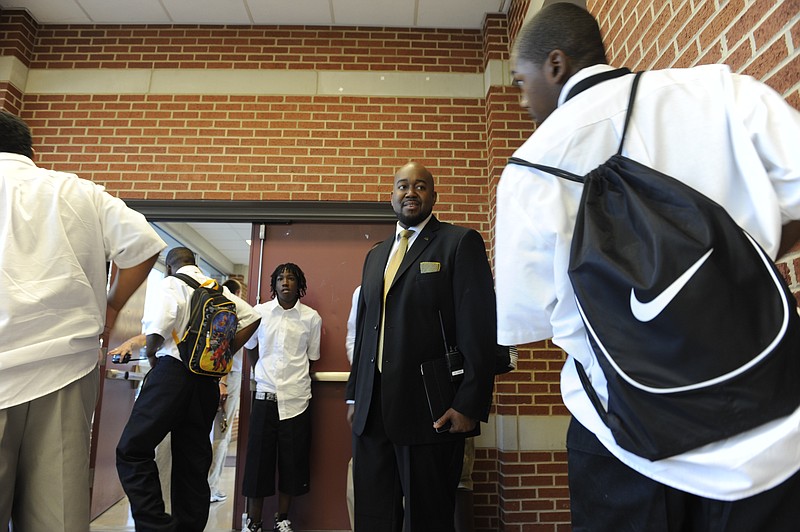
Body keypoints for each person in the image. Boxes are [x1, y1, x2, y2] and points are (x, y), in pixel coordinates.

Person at [495, 3, 800, 531]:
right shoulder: (721, 91)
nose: (524, 102)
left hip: (624, 445)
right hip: (771, 434)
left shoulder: (528, 168)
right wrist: (729, 260)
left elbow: (529, 318)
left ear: (555, 64)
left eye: (522, 82)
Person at [0, 110, 166, 531]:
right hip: (65, 370)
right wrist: (109, 307)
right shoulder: (77, 190)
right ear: (31, 152)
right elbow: (144, 244)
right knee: (58, 516)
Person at [345, 161, 497, 532]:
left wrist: (468, 403)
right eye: (402, 186)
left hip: (432, 410)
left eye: (420, 186)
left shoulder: (459, 242)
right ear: (391, 195)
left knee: (428, 518)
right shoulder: (376, 255)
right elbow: (366, 328)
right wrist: (355, 396)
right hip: (372, 411)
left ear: (433, 195)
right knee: (373, 516)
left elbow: (479, 328)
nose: (410, 192)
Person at [116, 246, 261, 531]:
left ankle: (155, 525)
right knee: (193, 461)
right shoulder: (218, 289)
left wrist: (153, 355)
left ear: (170, 267)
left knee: (132, 449)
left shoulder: (172, 283)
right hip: (206, 381)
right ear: (194, 263)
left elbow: (158, 328)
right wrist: (225, 352)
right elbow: (253, 318)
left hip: (172, 375)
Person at [242, 263, 322, 532]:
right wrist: (261, 373)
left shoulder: (311, 318)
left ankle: (282, 519)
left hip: (297, 400)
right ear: (273, 284)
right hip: (265, 397)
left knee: (293, 462)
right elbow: (250, 348)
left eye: (291, 278)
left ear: (300, 284)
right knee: (258, 463)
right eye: (280, 278)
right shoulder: (259, 313)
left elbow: (311, 359)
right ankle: (253, 521)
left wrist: (292, 382)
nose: (285, 282)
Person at [208, 278, 247, 503]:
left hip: (213, 376)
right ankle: (211, 487)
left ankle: (205, 485)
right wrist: (223, 381)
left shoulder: (211, 310)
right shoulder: (230, 311)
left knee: (211, 434)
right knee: (221, 435)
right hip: (227, 377)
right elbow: (226, 349)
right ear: (237, 293)